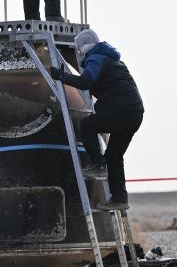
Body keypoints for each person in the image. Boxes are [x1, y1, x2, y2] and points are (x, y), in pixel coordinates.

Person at [51, 29, 144, 211]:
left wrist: (62, 77)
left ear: (82, 48)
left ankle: (97, 164)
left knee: (88, 124)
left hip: (121, 110)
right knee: (114, 155)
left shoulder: (96, 57)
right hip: (134, 112)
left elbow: (87, 82)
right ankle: (119, 199)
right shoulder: (114, 60)